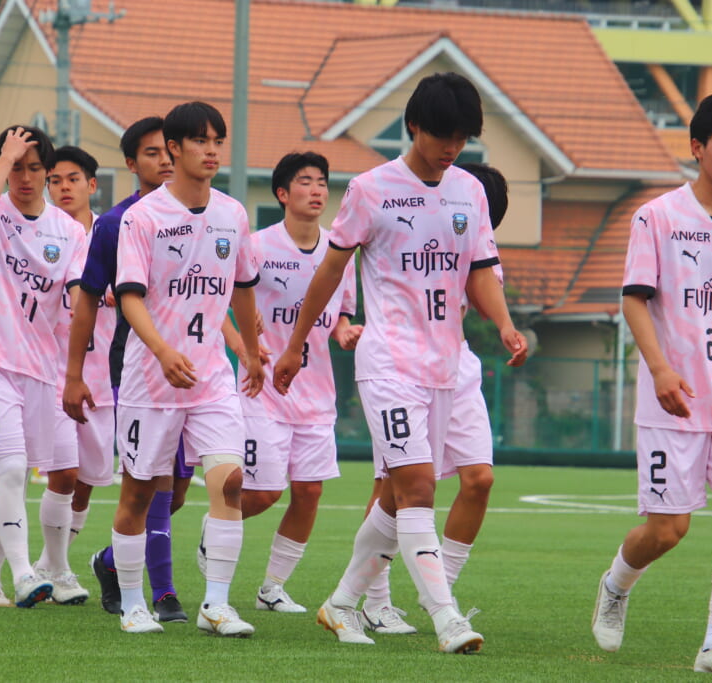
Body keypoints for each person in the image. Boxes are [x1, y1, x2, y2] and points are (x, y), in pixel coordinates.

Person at [271, 73, 527, 653]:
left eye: (462, 138)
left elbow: (480, 271)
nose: (451, 147)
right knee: (415, 487)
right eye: (442, 135)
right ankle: (447, 617)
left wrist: (505, 324)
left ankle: (341, 604)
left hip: (446, 366)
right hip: (388, 363)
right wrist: (295, 344)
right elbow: (331, 270)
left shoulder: (470, 192)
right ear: (414, 126)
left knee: (393, 496)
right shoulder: (371, 189)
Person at [591, 94, 712, 677]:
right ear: (697, 147)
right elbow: (633, 300)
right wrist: (661, 369)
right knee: (669, 530)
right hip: (672, 402)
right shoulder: (658, 217)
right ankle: (616, 584)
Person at [106, 101, 262, 634]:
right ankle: (132, 605)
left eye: (217, 140)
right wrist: (162, 351)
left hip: (210, 378)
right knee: (139, 493)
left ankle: (215, 605)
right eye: (199, 140)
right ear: (174, 149)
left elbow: (242, 288)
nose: (211, 150)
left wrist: (250, 352)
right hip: (151, 381)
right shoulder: (143, 217)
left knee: (230, 481)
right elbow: (130, 297)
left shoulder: (233, 214)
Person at [359, 162, 509, 637]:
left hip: (455, 365)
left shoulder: (480, 251)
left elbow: (481, 295)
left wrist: (507, 326)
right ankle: (375, 601)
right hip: (400, 368)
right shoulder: (401, 221)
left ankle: (441, 592)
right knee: (392, 487)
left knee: (480, 478)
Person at [63, 116, 191, 623]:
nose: (164, 160)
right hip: (137, 368)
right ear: (131, 163)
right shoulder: (116, 224)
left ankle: (112, 560)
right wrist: (75, 375)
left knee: (175, 489)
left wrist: (245, 345)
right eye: (152, 152)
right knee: (152, 481)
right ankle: (164, 594)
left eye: (168, 151)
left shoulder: (203, 214)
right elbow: (87, 302)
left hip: (195, 369)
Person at [224, 152, 360, 613]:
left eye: (322, 181)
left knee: (309, 491)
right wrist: (247, 335)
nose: (317, 190)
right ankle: (217, 527)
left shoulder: (340, 252)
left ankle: (272, 588)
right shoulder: (258, 246)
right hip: (262, 388)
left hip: (316, 393)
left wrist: (345, 332)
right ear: (282, 193)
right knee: (263, 492)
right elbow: (225, 300)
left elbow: (340, 315)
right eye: (305, 181)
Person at [0, 125, 87, 608]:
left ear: (47, 172)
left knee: (14, 477)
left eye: (35, 168)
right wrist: (5, 157)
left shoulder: (69, 231)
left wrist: (93, 303)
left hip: (40, 371)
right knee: (10, 469)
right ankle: (24, 575)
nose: (25, 177)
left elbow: (77, 290)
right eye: (16, 167)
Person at [26, 144, 113, 605]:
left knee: (86, 483)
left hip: (105, 379)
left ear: (91, 185)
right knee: (65, 471)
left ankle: (48, 564)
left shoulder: (114, 233)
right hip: (53, 372)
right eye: (54, 180)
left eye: (73, 179)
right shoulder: (39, 234)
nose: (63, 187)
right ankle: (58, 570)